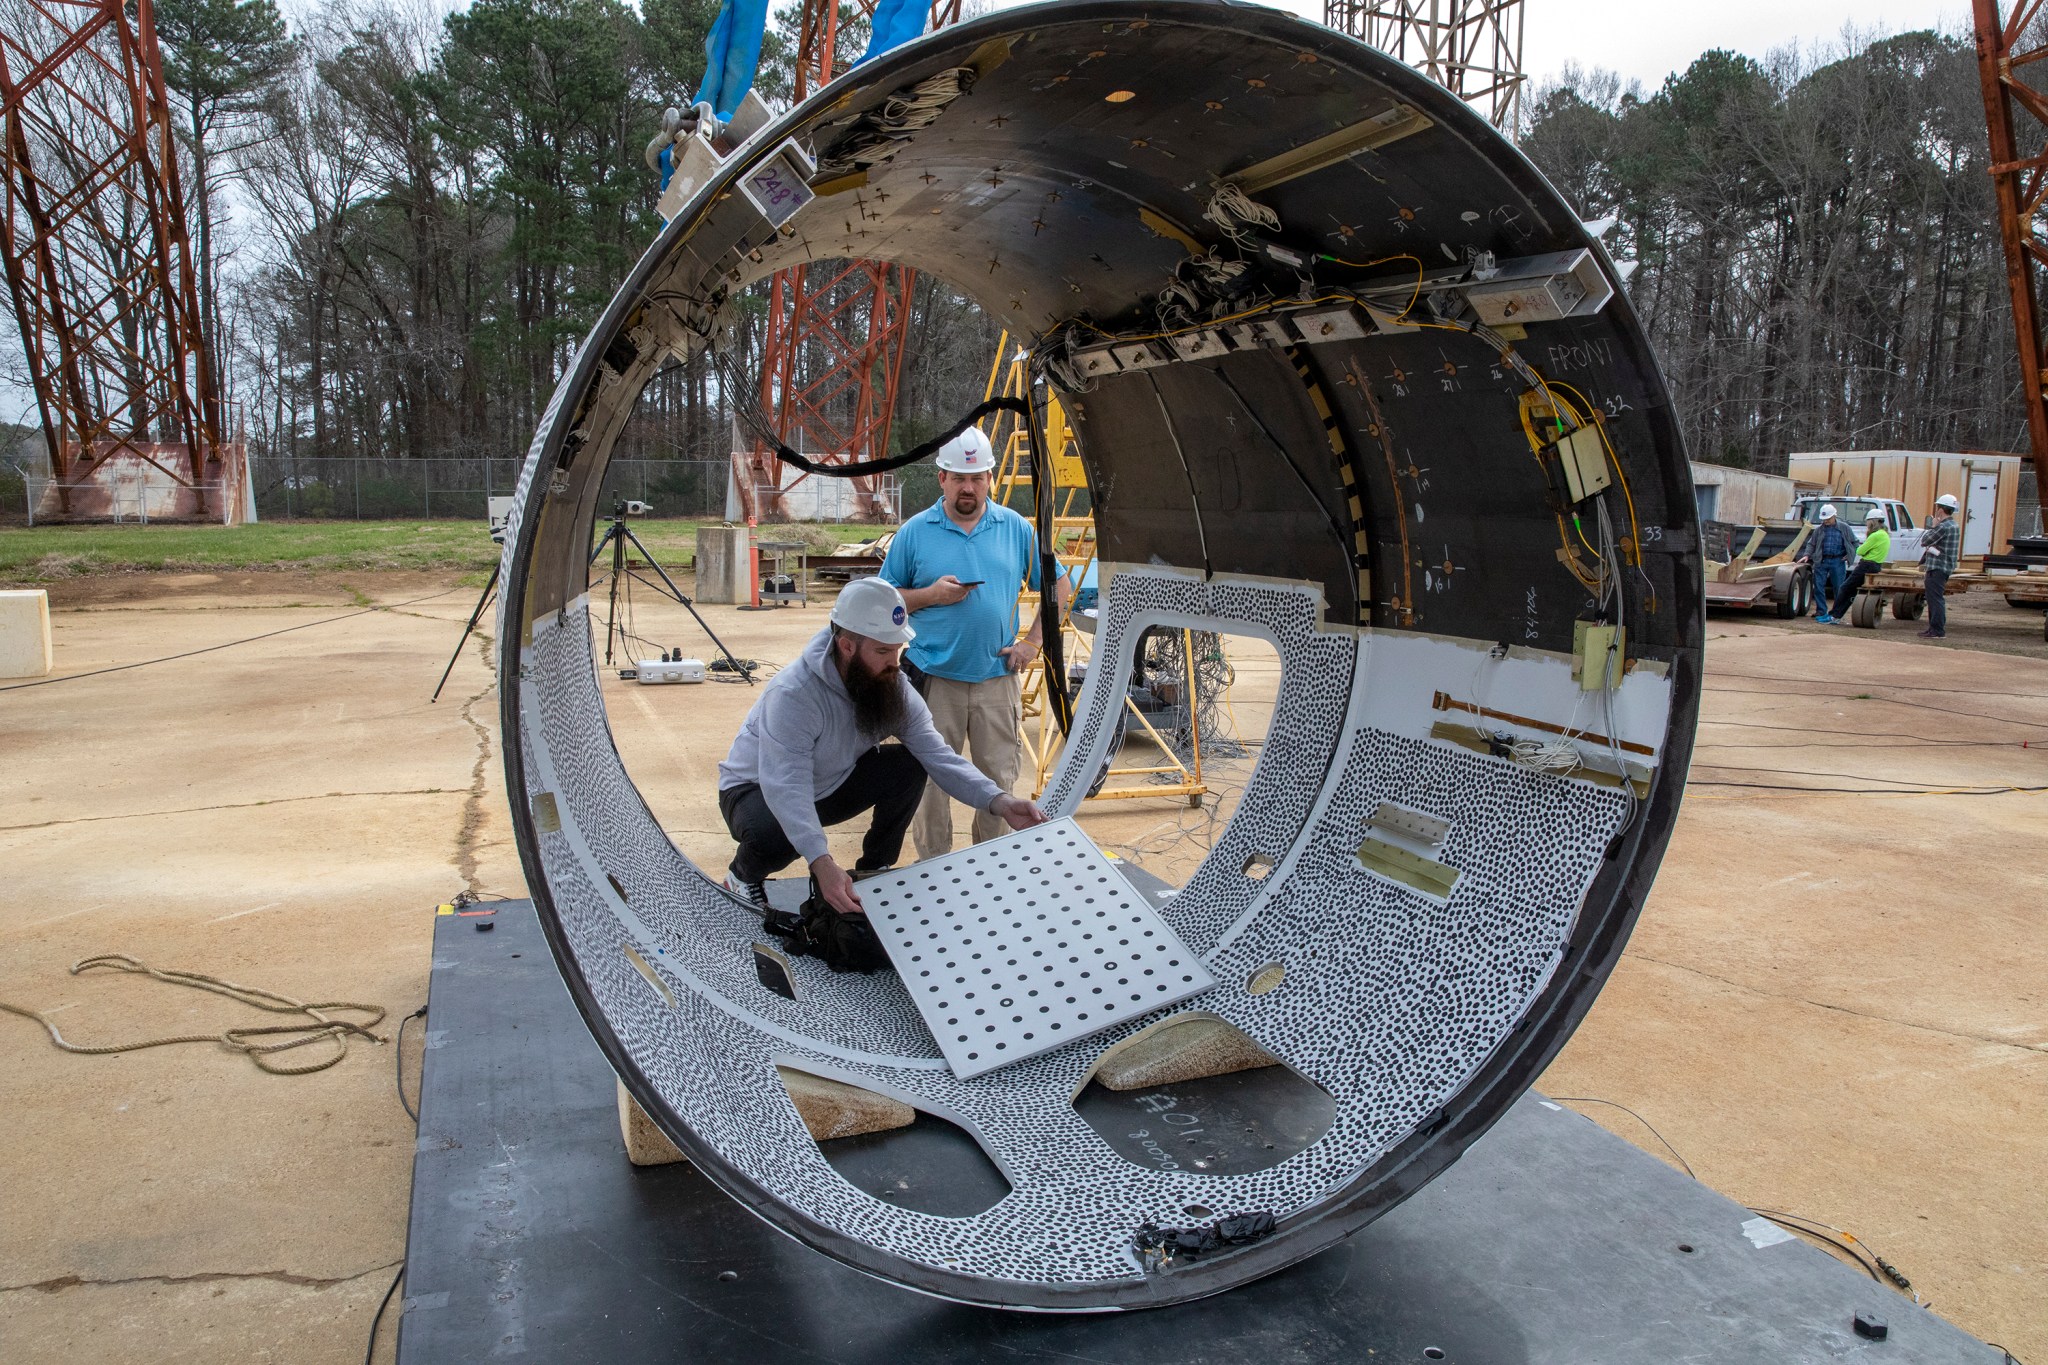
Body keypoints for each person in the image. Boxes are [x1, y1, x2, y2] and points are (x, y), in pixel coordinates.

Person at [717, 577, 1047, 918]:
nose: (895, 661)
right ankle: (743, 877)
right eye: (883, 651)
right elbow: (786, 786)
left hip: (828, 782)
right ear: (846, 646)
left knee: (909, 763)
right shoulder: (795, 694)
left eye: (898, 649)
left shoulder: (890, 683)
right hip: (753, 790)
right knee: (776, 832)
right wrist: (822, 863)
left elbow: (939, 757)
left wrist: (999, 800)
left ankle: (874, 869)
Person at [879, 427, 1071, 860]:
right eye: (959, 477)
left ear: (990, 478)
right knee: (929, 784)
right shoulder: (914, 533)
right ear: (941, 477)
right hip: (933, 683)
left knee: (999, 782)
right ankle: (934, 873)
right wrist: (930, 595)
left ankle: (990, 871)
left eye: (978, 477)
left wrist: (1033, 642)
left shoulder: (1016, 529)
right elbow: (883, 601)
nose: (969, 487)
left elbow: (1058, 585)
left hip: (996, 680)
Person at [1827, 505, 1890, 623]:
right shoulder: (1885, 534)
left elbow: (1860, 551)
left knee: (1844, 588)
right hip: (1876, 565)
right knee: (1852, 590)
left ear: (1872, 521)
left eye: (1867, 521)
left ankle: (1834, 615)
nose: (1867, 524)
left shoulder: (1875, 535)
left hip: (1866, 565)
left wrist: (1859, 547)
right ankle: (1837, 616)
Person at [1798, 503, 1857, 624]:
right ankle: (1821, 611)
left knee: (1839, 588)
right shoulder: (1819, 530)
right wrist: (1806, 555)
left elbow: (1854, 543)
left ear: (1834, 516)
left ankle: (1836, 613)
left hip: (1838, 561)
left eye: (1828, 519)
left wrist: (1850, 554)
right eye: (1824, 519)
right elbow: (1811, 544)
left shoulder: (1844, 528)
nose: (1826, 521)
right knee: (1818, 586)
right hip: (1821, 561)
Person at [1918, 493, 1961, 640]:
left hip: (1937, 567)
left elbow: (1925, 540)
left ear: (1941, 510)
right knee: (1935, 598)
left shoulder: (1943, 527)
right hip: (1945, 567)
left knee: (1934, 599)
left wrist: (1934, 526)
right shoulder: (1954, 525)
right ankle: (1934, 628)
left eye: (1937, 508)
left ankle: (1936, 630)